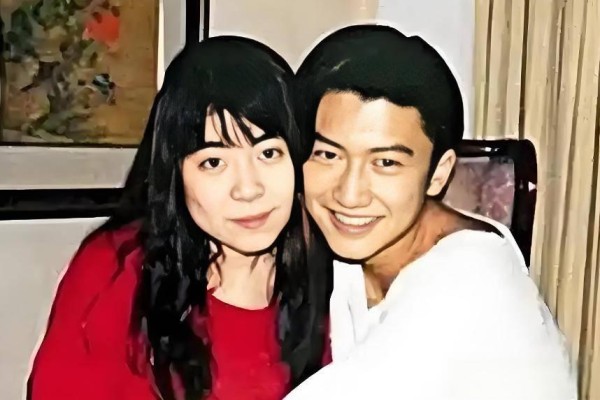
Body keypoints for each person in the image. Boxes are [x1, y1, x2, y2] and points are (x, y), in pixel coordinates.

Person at [28, 36, 330, 400]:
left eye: (268, 153)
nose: (248, 189)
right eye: (214, 162)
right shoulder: (117, 268)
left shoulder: (334, 279)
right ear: (176, 174)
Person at [286, 24, 576, 400]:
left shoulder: (472, 280)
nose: (350, 194)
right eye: (328, 154)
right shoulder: (357, 248)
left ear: (438, 174)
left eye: (386, 162)